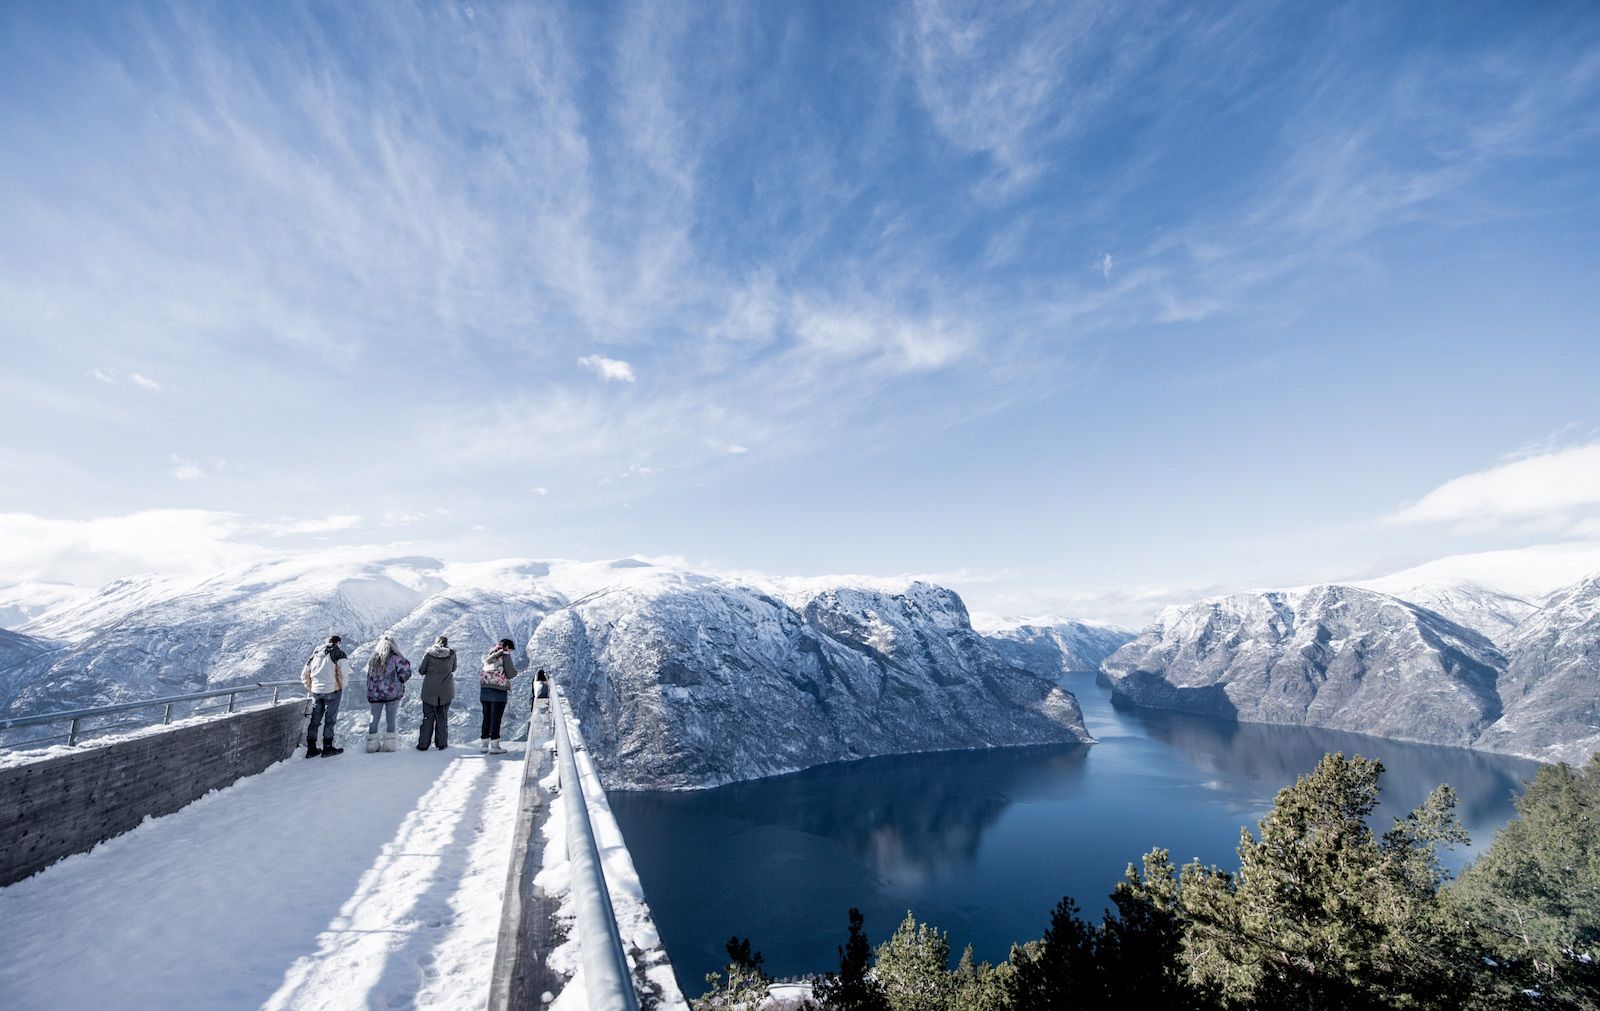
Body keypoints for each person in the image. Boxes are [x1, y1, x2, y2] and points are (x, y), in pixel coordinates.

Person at [301, 634, 347, 757]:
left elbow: (304, 674)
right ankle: (327, 747)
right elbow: (343, 674)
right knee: (330, 719)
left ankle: (311, 748)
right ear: (338, 643)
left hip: (316, 691)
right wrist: (341, 687)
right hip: (332, 690)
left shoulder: (314, 654)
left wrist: (311, 687)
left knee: (315, 720)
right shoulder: (339, 654)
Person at [364, 635, 412, 753]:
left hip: (375, 693)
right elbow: (406, 673)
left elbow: (368, 676)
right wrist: (399, 681)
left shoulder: (373, 659)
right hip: (392, 693)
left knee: (374, 718)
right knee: (391, 719)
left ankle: (372, 745)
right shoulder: (397, 658)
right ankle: (390, 745)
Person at [416, 635, 457, 751]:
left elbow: (421, 671)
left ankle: (423, 745)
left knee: (427, 717)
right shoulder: (451, 655)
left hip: (429, 690)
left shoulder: (429, 654)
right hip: (446, 690)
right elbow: (454, 669)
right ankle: (441, 744)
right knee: (442, 717)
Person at [479, 638, 518, 753]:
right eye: (511, 650)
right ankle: (495, 746)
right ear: (508, 647)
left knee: (486, 717)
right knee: (496, 718)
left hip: (485, 689)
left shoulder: (490, 653)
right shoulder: (505, 655)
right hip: (498, 691)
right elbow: (511, 673)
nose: (510, 652)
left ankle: (484, 745)